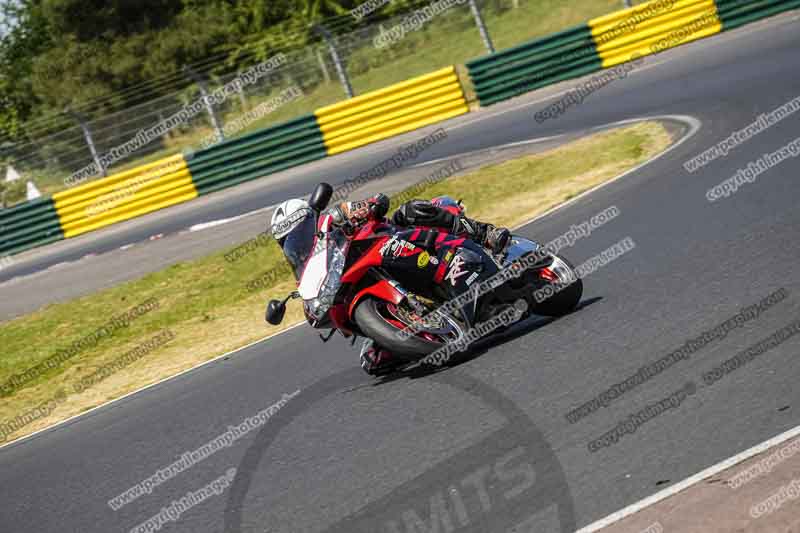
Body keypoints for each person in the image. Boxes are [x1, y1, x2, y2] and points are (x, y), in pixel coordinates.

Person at [271, 193, 511, 374]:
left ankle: (484, 234)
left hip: (399, 241)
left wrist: (367, 207)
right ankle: (424, 327)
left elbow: (375, 202)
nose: (295, 241)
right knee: (373, 362)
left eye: (299, 231)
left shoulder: (335, 217)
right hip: (369, 284)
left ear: (310, 219)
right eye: (288, 241)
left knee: (411, 210)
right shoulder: (307, 268)